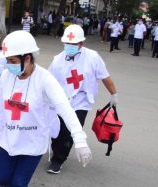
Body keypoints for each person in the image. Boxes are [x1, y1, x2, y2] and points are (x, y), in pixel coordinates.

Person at [0, 30, 92, 187]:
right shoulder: (7, 76)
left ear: (28, 58)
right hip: (9, 140)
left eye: (13, 61)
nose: (8, 66)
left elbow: (65, 108)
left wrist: (79, 139)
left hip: (32, 143)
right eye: (7, 61)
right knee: (1, 179)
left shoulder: (45, 79)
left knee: (19, 184)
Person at [47, 24, 117, 174]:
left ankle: (58, 160)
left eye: (73, 44)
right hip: (61, 101)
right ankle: (56, 151)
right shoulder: (58, 60)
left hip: (82, 101)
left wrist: (114, 94)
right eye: (67, 43)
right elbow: (47, 81)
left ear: (81, 44)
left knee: (70, 131)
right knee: (57, 131)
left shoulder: (92, 57)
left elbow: (104, 76)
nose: (70, 46)